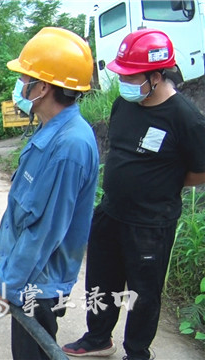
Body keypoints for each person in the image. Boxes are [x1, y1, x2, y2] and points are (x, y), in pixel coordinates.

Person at [62, 29, 205, 360]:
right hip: (111, 211)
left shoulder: (185, 117)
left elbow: (200, 169)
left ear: (156, 75)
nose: (123, 81)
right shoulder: (124, 104)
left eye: (131, 75)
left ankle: (138, 351)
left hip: (150, 222)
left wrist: (164, 183)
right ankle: (98, 338)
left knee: (144, 292)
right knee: (101, 280)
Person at [0, 27, 99, 360]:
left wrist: (7, 284)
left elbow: (45, 234)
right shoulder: (50, 131)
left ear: (42, 87)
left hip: (38, 284)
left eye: (26, 77)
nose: (21, 84)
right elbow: (19, 206)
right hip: (27, 273)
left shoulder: (69, 147)